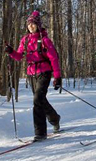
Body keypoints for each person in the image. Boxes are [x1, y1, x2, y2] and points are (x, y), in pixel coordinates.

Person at [5, 11, 62, 141]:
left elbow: (53, 58)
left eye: (33, 24)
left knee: (37, 100)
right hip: (31, 74)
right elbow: (19, 56)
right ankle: (55, 119)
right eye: (29, 24)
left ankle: (40, 133)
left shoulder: (45, 40)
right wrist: (11, 52)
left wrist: (57, 76)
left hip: (44, 72)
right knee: (41, 100)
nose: (30, 26)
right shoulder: (25, 40)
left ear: (38, 25)